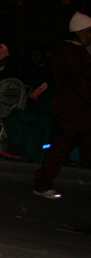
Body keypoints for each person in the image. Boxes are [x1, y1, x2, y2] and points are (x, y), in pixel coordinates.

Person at [33, 12, 91, 199]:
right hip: (72, 111)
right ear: (81, 31)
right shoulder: (72, 53)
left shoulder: (74, 51)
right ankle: (42, 184)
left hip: (78, 110)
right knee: (60, 148)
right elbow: (82, 83)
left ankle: (43, 182)